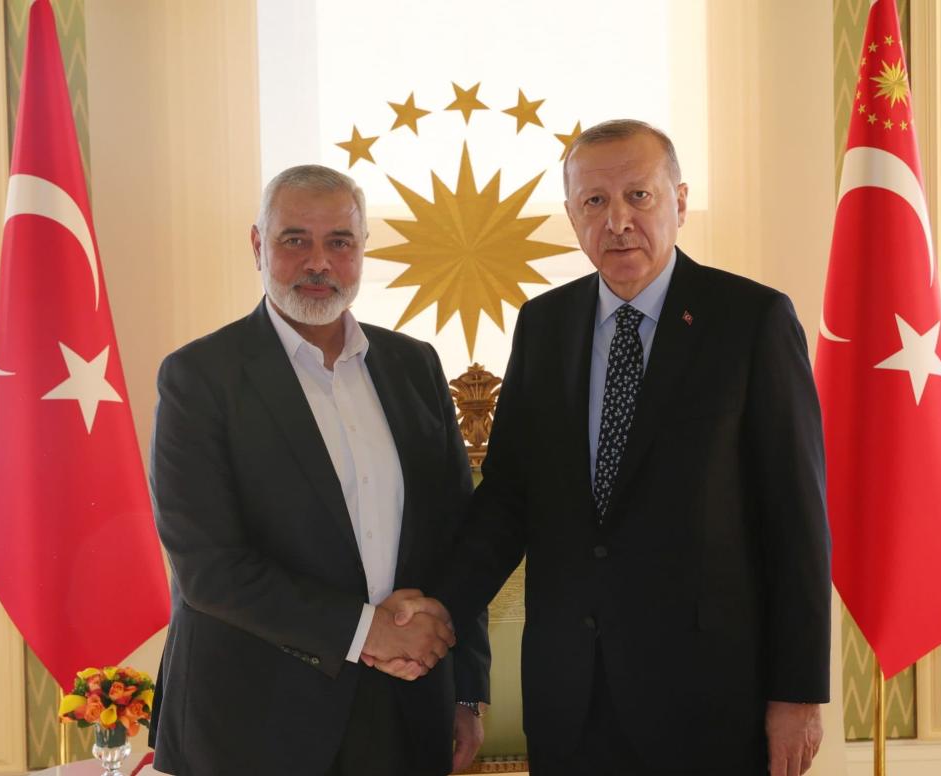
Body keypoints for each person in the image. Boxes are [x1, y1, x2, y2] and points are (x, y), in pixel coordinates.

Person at [379, 120, 831, 776]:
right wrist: (440, 605)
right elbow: (508, 501)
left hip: (709, 703)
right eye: (594, 202)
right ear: (571, 215)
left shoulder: (751, 321)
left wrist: (798, 694)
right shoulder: (544, 326)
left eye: (638, 197)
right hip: (572, 701)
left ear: (679, 200)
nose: (617, 221)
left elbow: (797, 521)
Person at [146, 164, 490, 776]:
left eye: (340, 242)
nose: (318, 262)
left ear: (362, 250)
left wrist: (465, 691)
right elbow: (209, 568)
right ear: (258, 245)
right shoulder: (199, 377)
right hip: (251, 723)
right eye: (295, 239)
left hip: (404, 712)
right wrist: (368, 633)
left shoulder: (415, 366)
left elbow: (458, 539)